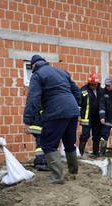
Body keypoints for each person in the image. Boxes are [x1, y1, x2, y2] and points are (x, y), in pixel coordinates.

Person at [23, 55, 80, 184]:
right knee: (69, 142)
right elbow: (76, 91)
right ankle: (73, 172)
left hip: (56, 112)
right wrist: (75, 106)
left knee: (48, 144)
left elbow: (33, 99)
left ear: (33, 66)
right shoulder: (62, 72)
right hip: (72, 110)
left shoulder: (37, 75)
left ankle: (57, 177)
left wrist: (27, 120)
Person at [78, 72, 103, 157]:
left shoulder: (101, 90)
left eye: (95, 84)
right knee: (85, 135)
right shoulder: (83, 90)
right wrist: (78, 115)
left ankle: (95, 152)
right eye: (91, 84)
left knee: (97, 135)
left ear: (97, 83)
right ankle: (80, 153)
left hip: (98, 118)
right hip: (86, 117)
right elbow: (79, 104)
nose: (93, 86)